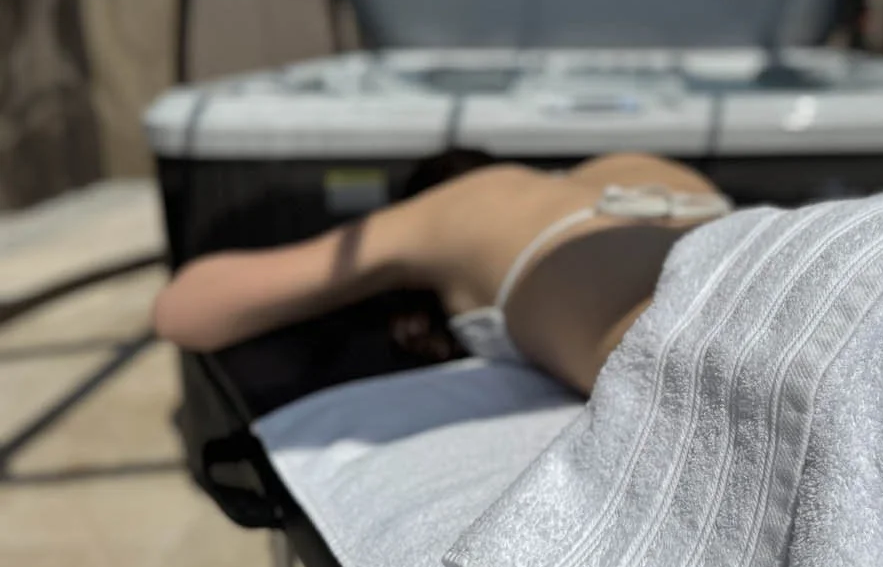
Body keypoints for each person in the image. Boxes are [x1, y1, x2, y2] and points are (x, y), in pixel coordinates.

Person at [152, 153, 731, 396]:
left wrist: (385, 263)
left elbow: (184, 309)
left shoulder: (455, 208)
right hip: (767, 254)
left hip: (700, 344)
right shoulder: (636, 165)